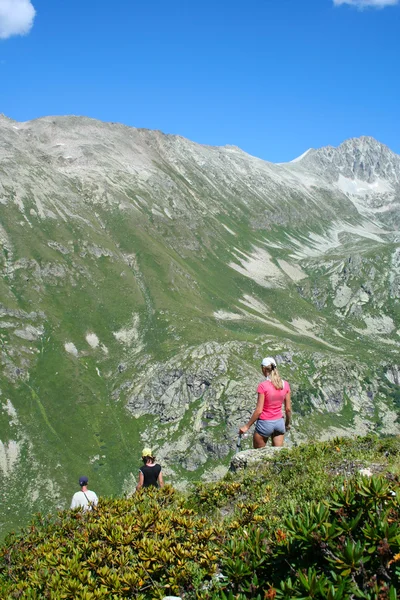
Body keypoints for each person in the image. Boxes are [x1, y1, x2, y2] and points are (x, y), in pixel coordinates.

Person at [239, 357, 291, 448]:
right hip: (279, 423)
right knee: (277, 455)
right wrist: (286, 424)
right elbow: (288, 409)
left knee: (258, 456)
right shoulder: (285, 384)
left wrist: (246, 426)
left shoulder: (263, 386)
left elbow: (259, 410)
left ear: (263, 369)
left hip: (265, 424)